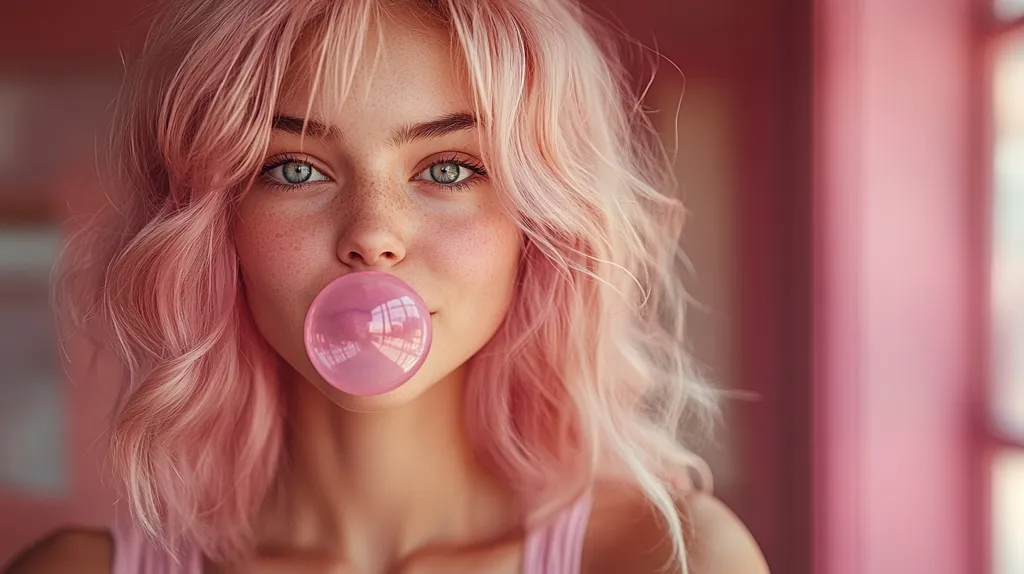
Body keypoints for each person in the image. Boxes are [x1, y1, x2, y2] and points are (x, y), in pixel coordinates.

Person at [4, 0, 768, 572]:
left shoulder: (674, 559)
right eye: (294, 169)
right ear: (214, 223)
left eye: (448, 169)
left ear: (537, 226)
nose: (374, 233)